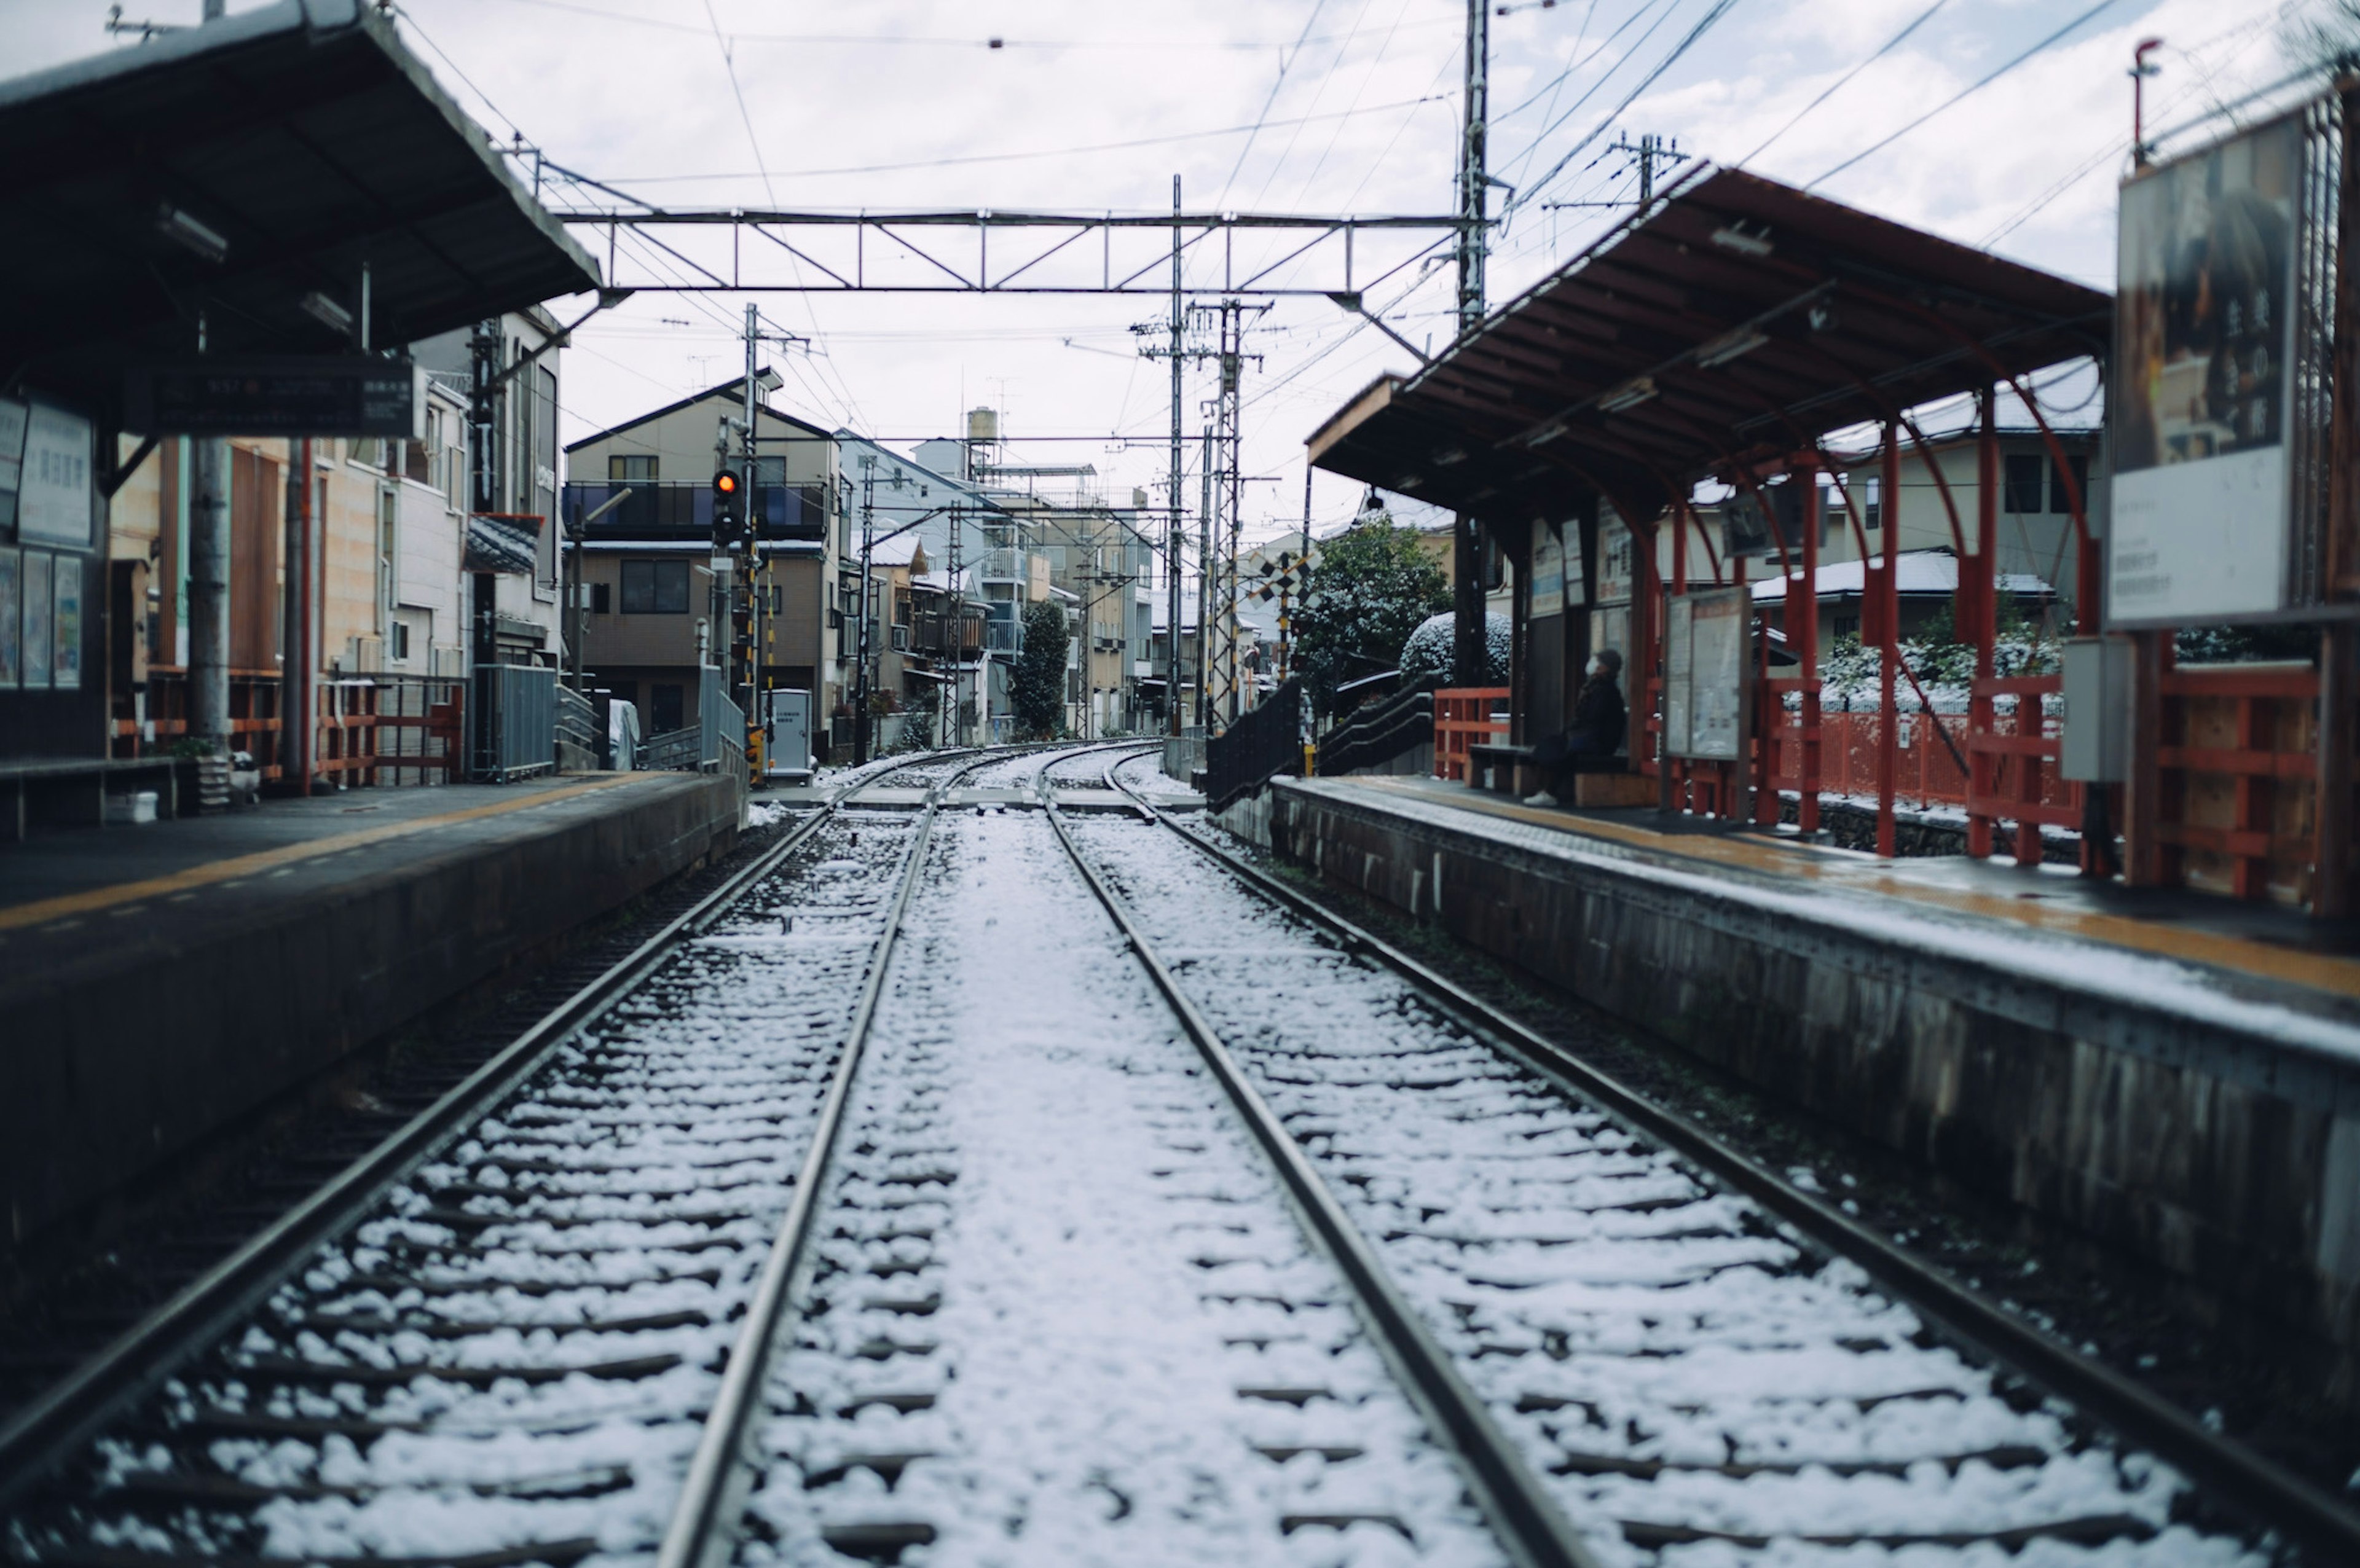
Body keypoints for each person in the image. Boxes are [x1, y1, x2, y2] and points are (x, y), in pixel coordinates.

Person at [1524, 647, 1626, 807]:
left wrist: (1574, 729)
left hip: (1599, 742)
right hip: (1590, 737)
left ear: (1605, 667)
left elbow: (1592, 718)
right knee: (1550, 745)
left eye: (1597, 661)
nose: (1593, 664)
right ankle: (1545, 791)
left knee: (1562, 752)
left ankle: (1550, 793)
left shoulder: (1607, 691)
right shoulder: (1596, 686)